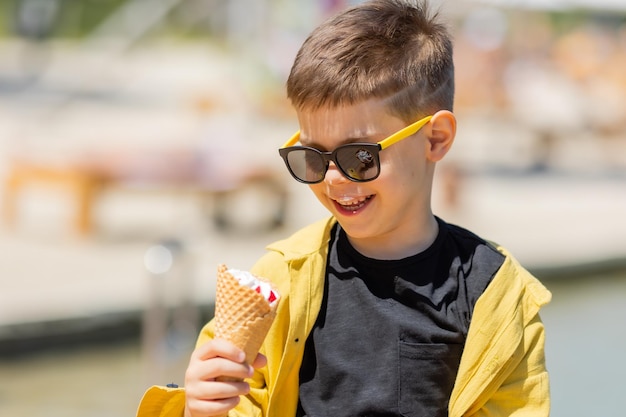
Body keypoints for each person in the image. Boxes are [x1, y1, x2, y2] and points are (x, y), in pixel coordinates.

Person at [136, 1, 551, 416]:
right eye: (313, 157)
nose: (333, 179)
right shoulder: (282, 279)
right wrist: (201, 407)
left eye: (360, 158)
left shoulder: (495, 294)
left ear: (435, 139)